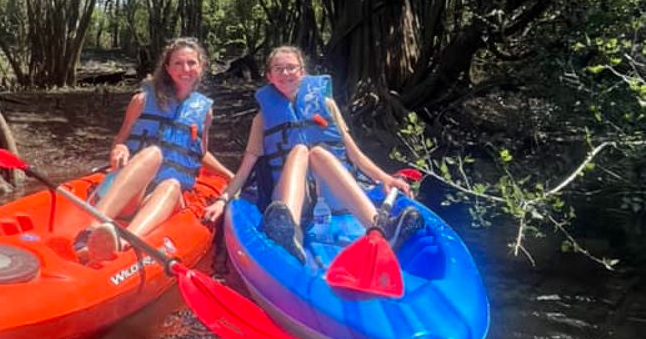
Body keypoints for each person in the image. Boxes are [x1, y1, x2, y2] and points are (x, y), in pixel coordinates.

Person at [203, 45, 421, 262]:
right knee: (299, 150)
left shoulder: (326, 105)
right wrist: (223, 200)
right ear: (269, 76)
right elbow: (245, 168)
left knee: (317, 152)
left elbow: (354, 154)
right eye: (278, 69)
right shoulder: (262, 119)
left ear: (302, 72)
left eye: (291, 67)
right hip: (290, 200)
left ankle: (380, 227)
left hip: (330, 197)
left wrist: (385, 178)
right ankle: (289, 232)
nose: (285, 73)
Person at [75, 37, 231, 264]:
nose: (185, 69)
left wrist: (230, 176)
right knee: (153, 153)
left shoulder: (205, 112)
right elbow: (120, 141)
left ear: (201, 67)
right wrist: (118, 149)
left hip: (159, 199)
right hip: (131, 191)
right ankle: (90, 231)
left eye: (191, 63)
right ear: (167, 68)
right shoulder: (142, 99)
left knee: (173, 184)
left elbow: (198, 152)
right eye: (178, 63)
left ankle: (124, 241)